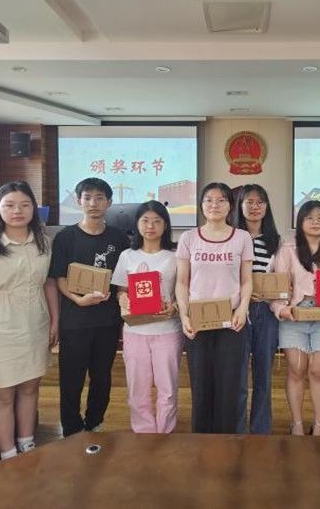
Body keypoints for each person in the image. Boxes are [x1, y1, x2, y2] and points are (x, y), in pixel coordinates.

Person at [0, 181, 59, 460]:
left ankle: (26, 444)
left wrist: (55, 321)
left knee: (30, 387)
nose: (18, 211)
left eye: (25, 205)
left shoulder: (43, 242)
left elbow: (48, 284)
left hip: (35, 325)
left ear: (34, 209)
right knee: (2, 393)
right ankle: (8, 453)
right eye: (10, 205)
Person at [48, 178, 130, 436]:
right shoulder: (65, 237)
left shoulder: (119, 238)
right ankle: (71, 428)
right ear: (78, 201)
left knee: (102, 376)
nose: (93, 203)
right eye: (87, 197)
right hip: (75, 320)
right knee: (71, 377)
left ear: (109, 202)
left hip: (108, 321)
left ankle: (95, 421)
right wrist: (77, 300)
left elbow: (124, 279)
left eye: (99, 198)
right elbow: (60, 278)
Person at [175, 182, 253, 434]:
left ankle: (226, 443)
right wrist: (184, 315)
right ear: (201, 205)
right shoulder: (188, 238)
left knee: (229, 386)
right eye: (209, 199)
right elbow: (182, 282)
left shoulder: (242, 238)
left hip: (232, 321)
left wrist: (242, 309)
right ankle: (201, 442)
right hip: (198, 321)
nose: (214, 205)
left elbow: (247, 280)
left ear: (230, 206)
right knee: (201, 385)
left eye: (221, 200)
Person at [271, 201, 320, 436]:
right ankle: (297, 424)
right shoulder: (287, 249)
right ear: (300, 222)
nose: (315, 222)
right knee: (297, 370)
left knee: (318, 371)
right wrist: (280, 309)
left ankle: (319, 425)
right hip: (294, 315)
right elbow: (277, 287)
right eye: (309, 218)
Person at [112, 201, 183, 433]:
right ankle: (143, 434)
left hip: (167, 330)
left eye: (157, 221)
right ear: (137, 224)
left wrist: (174, 307)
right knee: (137, 389)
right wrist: (123, 299)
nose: (150, 226)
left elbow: (183, 291)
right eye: (145, 220)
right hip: (135, 331)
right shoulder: (127, 256)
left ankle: (165, 433)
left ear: (166, 225)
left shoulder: (175, 256)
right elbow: (121, 290)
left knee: (168, 389)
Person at [232, 184, 281, 434]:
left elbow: (282, 278)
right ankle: (237, 428)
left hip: (266, 311)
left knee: (264, 373)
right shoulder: (231, 237)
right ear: (239, 206)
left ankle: (261, 429)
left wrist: (273, 293)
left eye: (260, 202)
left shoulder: (276, 241)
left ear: (266, 207)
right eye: (249, 202)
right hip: (238, 310)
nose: (254, 207)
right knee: (238, 374)